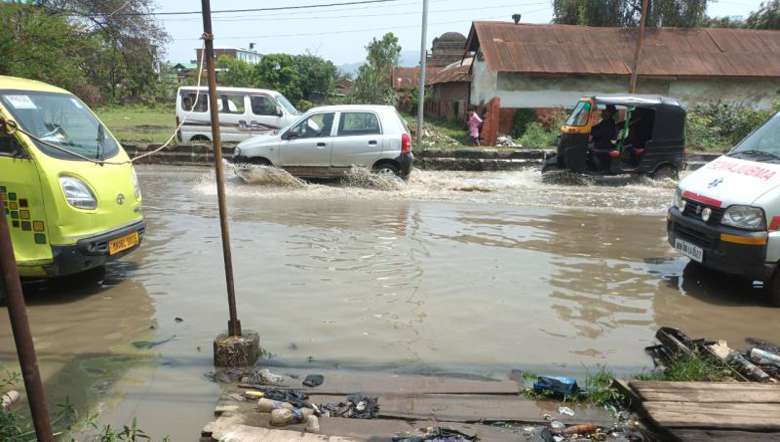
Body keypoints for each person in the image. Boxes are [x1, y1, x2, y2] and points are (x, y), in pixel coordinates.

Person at [589, 105, 617, 171]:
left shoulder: (609, 123)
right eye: (604, 111)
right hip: (602, 143)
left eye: (606, 111)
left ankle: (599, 168)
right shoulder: (605, 121)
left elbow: (601, 133)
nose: (602, 112)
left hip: (603, 144)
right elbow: (596, 127)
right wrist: (588, 129)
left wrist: (592, 133)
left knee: (590, 149)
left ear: (610, 113)